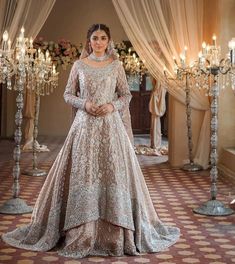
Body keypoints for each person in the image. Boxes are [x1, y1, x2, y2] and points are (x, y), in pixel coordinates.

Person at [2, 24, 180, 258]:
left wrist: (111, 105)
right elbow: (68, 94)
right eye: (94, 38)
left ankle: (116, 232)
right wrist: (84, 104)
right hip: (84, 127)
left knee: (112, 172)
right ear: (89, 41)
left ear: (108, 41)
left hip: (110, 127)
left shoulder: (116, 66)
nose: (98, 42)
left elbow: (125, 94)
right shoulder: (79, 65)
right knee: (84, 172)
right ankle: (80, 230)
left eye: (103, 38)